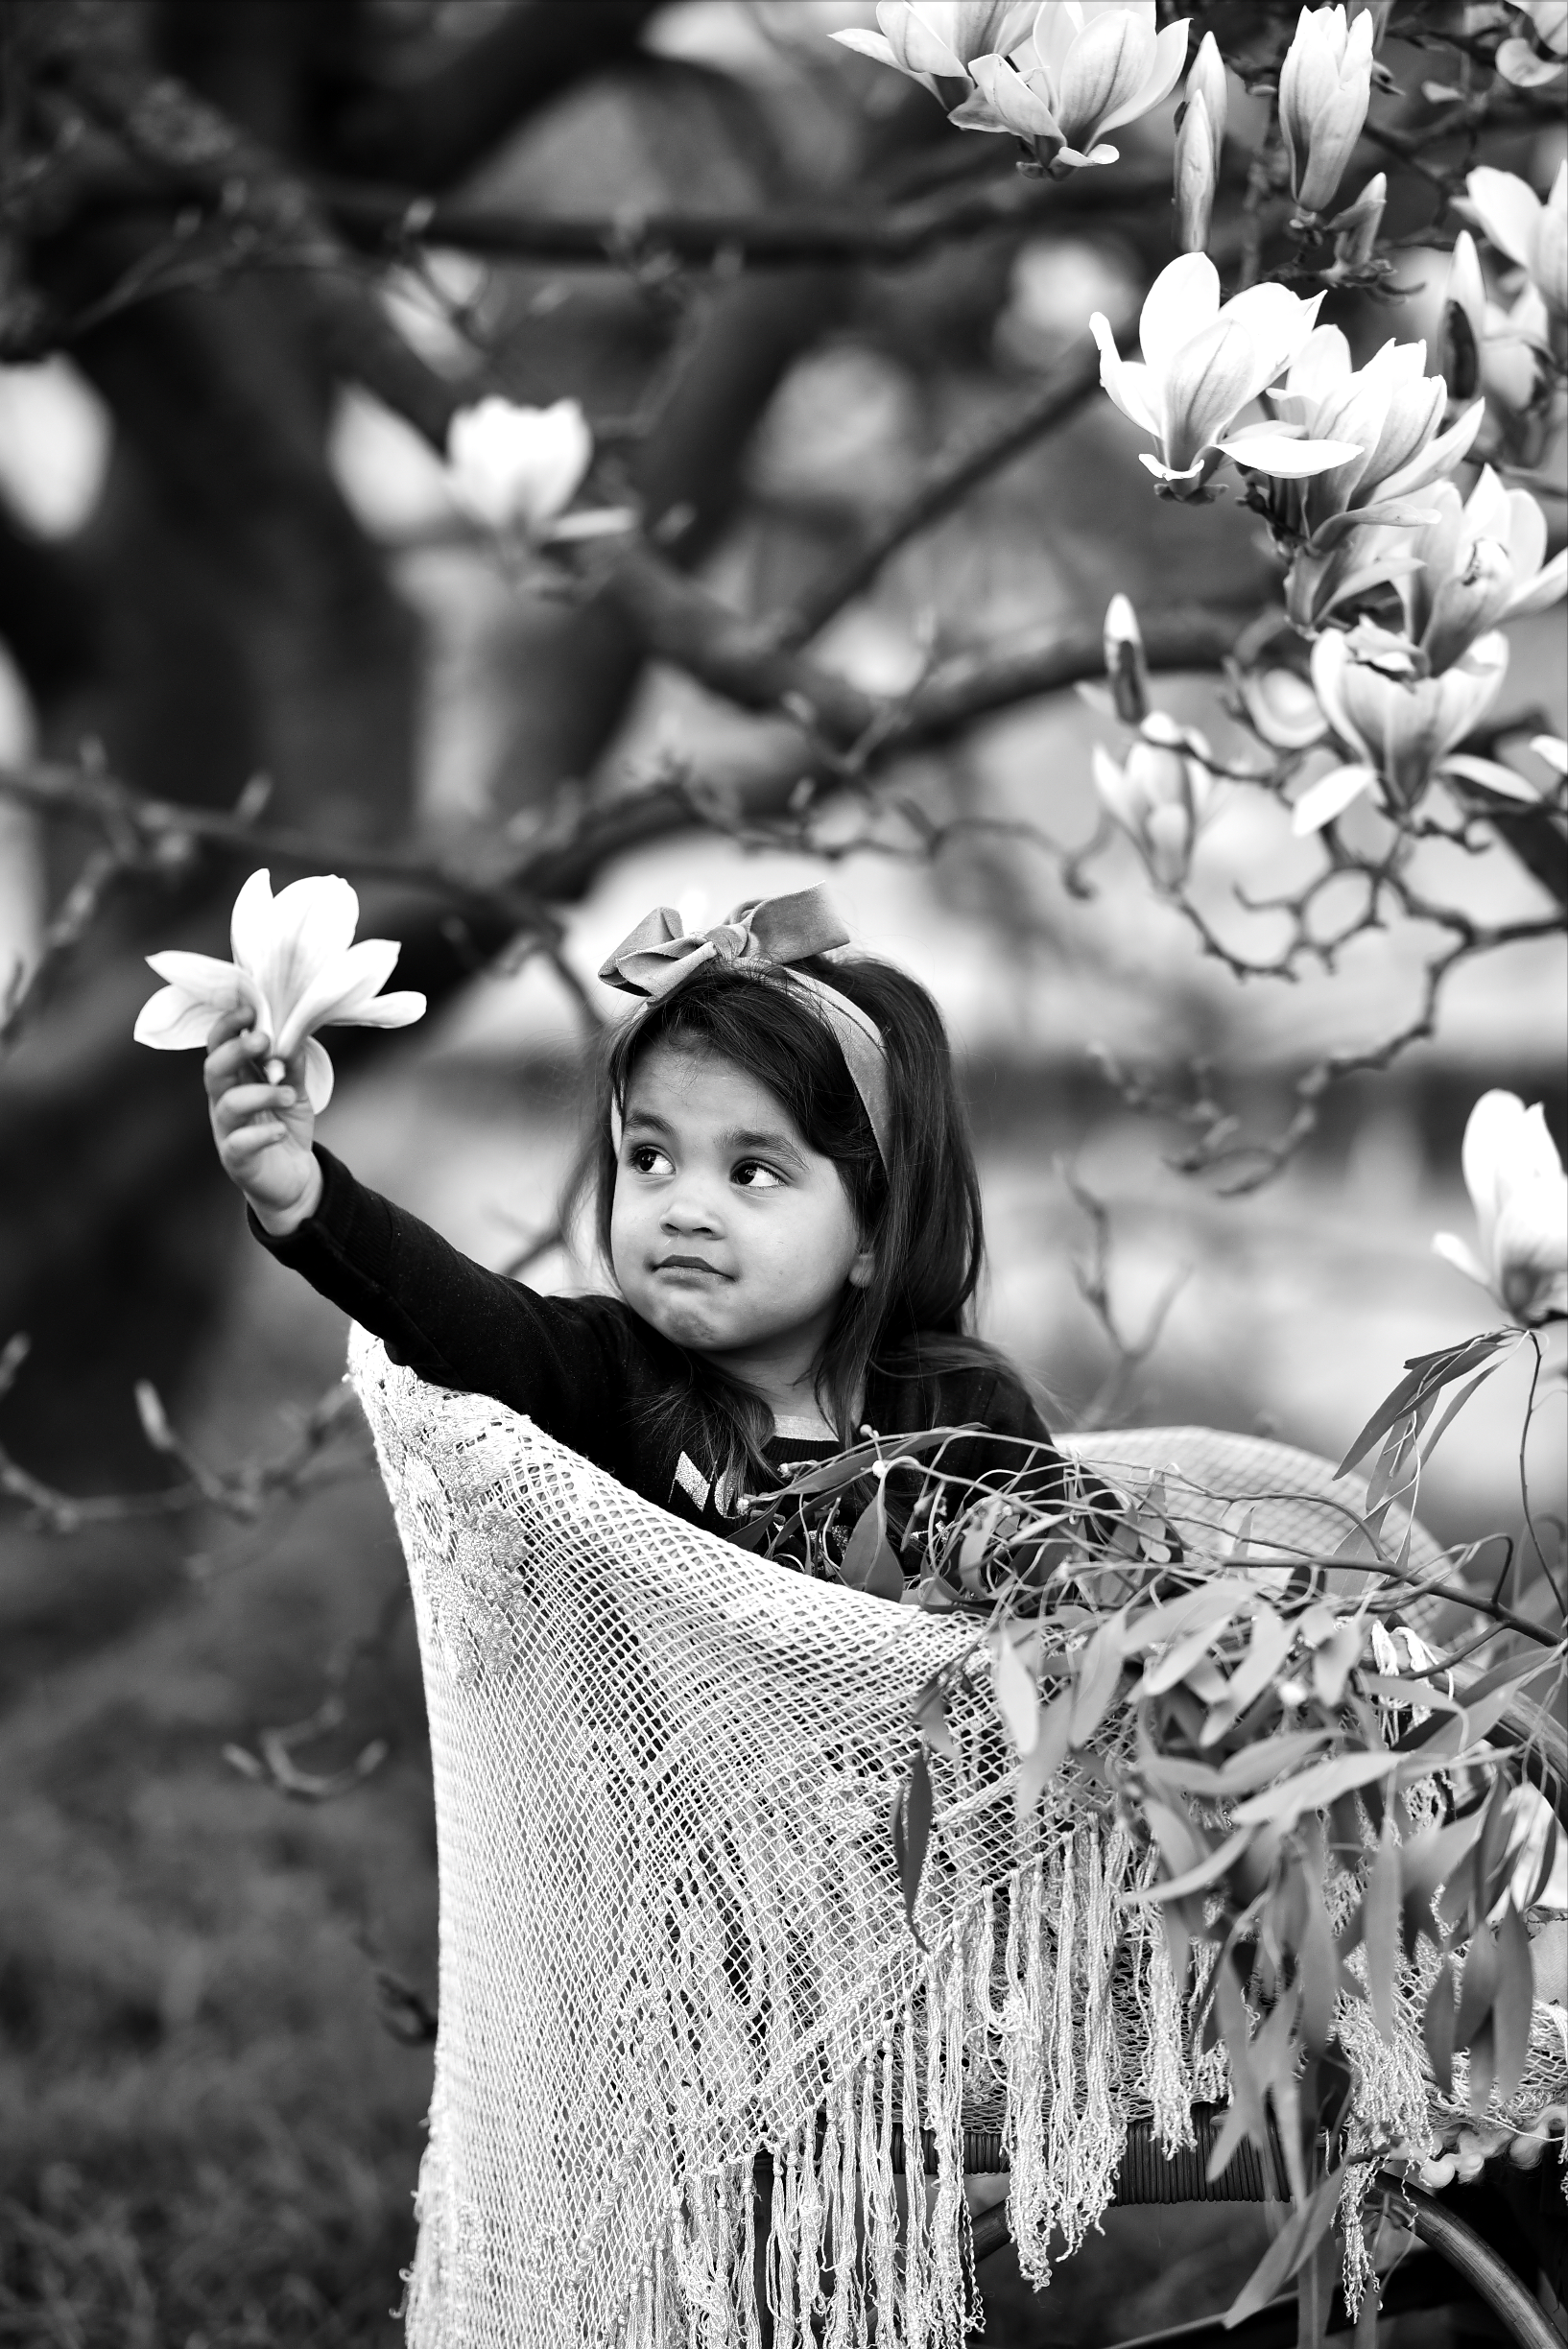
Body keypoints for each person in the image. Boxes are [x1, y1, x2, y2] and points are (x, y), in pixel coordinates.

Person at [202, 885, 1085, 1571]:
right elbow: (457, 1310)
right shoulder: (610, 1377)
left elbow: (1091, 1586)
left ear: (874, 1235)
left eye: (752, 1172)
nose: (684, 1209)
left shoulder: (961, 1414)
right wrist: (307, 1198)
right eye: (652, 1158)